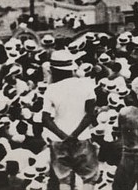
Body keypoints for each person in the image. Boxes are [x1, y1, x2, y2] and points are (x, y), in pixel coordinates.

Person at [41, 49, 100, 190]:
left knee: (64, 180)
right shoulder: (86, 84)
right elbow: (90, 114)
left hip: (59, 140)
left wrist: (64, 136)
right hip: (82, 138)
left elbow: (45, 119)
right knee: (89, 178)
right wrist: (75, 135)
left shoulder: (51, 89)